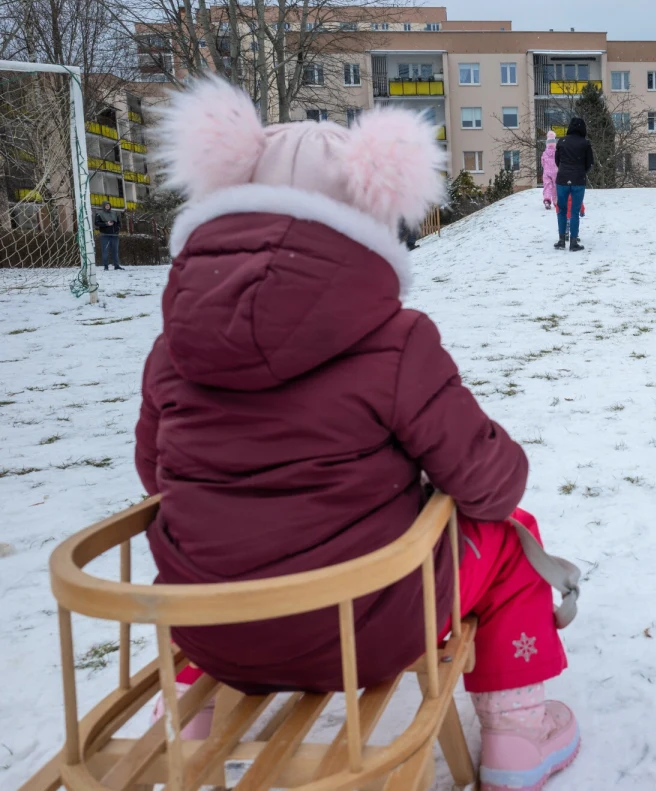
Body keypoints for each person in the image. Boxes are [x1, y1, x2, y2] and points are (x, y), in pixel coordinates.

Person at [136, 78, 580, 790]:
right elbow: (488, 486)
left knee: (213, 544)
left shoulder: (172, 349)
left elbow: (154, 475)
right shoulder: (395, 341)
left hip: (208, 626)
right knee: (511, 539)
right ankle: (518, 739)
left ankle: (186, 717)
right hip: (366, 627)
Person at [553, 117, 592, 252]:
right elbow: (589, 163)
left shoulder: (561, 141)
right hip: (578, 180)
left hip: (562, 179)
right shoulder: (585, 143)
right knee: (575, 211)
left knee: (562, 210)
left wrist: (564, 169)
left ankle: (561, 240)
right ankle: (573, 242)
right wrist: (581, 171)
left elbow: (557, 161)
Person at [94, 201, 123, 270]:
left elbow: (118, 222)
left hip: (114, 235)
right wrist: (106, 224)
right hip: (105, 235)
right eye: (106, 205)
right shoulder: (99, 213)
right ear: (103, 206)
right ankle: (106, 266)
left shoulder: (114, 213)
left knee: (115, 251)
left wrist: (118, 229)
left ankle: (116, 265)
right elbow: (97, 223)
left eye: (108, 205)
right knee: (105, 251)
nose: (107, 206)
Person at [541, 131, 557, 210]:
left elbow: (542, 163)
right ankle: (556, 202)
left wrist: (546, 168)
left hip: (546, 173)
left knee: (547, 186)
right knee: (555, 187)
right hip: (556, 172)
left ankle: (547, 200)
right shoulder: (557, 152)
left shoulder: (544, 153)